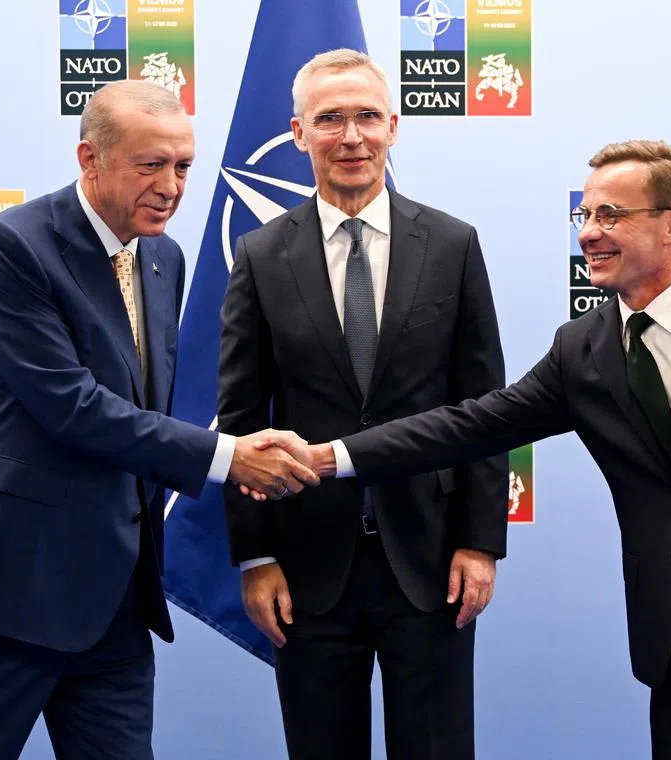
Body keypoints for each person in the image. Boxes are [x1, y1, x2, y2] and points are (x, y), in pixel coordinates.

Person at [281, 140, 671, 758]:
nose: (588, 233)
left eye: (610, 215)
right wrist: (332, 455)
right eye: (584, 216)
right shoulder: (580, 350)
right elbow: (468, 426)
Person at [0, 80, 317, 760]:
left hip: (113, 604)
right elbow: (72, 406)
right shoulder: (13, 245)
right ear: (90, 158)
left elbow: (144, 411)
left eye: (183, 166)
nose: (171, 186)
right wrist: (227, 456)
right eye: (150, 165)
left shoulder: (163, 257)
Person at [218, 49, 508, 760]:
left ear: (394, 127)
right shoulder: (258, 256)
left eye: (367, 117)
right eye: (330, 119)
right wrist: (254, 558)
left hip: (432, 562)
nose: (351, 136)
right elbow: (240, 417)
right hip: (307, 567)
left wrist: (480, 541)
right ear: (298, 133)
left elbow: (485, 406)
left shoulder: (452, 244)